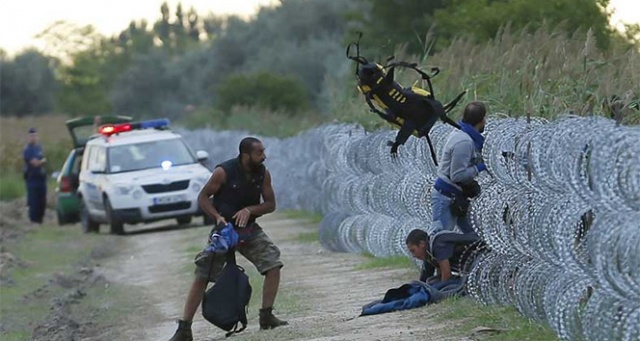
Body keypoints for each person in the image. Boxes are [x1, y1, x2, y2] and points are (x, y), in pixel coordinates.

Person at [169, 137, 288, 341]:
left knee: (273, 263)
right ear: (245, 154)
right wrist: (217, 217)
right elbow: (203, 197)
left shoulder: (263, 174)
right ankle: (184, 329)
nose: (264, 156)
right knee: (203, 274)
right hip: (224, 232)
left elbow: (270, 204)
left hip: (248, 230)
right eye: (259, 153)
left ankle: (266, 316)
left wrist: (250, 209)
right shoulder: (223, 172)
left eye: (263, 151)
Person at [431, 101, 488, 234]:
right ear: (481, 120)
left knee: (472, 237)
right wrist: (480, 168)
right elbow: (457, 175)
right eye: (484, 119)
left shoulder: (465, 137)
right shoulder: (464, 141)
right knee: (440, 238)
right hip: (446, 197)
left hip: (456, 196)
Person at [406, 229, 485, 283]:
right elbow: (424, 280)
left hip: (483, 255)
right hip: (474, 266)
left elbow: (446, 275)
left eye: (413, 250)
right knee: (432, 282)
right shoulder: (429, 253)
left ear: (422, 244)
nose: (413, 255)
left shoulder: (438, 244)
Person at [23, 128, 48, 224]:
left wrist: (41, 161)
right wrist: (42, 161)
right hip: (32, 179)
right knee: (33, 201)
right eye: (31, 136)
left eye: (34, 136)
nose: (33, 138)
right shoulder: (27, 150)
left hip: (41, 178)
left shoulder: (39, 147)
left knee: (42, 200)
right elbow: (35, 163)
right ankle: (34, 221)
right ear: (28, 137)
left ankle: (40, 220)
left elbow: (42, 159)